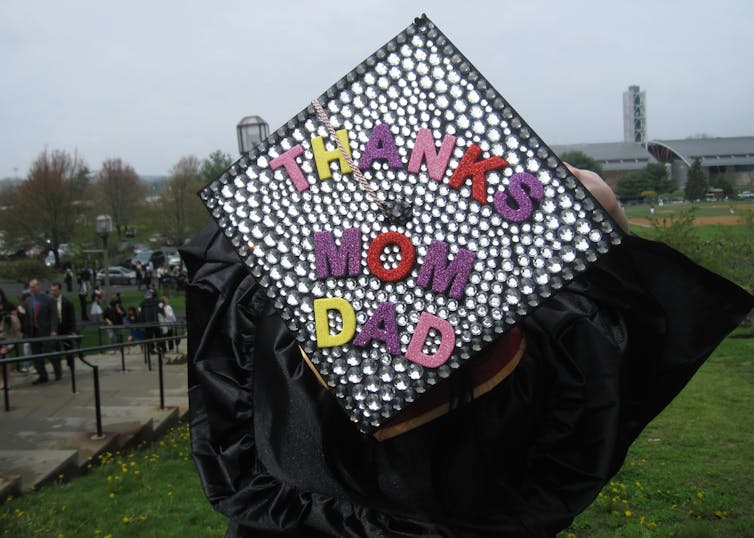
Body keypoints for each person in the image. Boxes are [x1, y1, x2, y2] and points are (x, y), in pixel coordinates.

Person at [182, 166, 753, 537]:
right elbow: (626, 344)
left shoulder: (270, 318)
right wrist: (605, 228)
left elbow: (223, 294)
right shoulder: (532, 353)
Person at [21, 279, 60, 385]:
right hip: (34, 332)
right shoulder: (29, 301)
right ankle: (42, 375)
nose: (32, 289)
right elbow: (28, 317)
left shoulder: (49, 300)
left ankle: (58, 371)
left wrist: (53, 330)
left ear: (39, 287)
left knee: (49, 352)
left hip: (46, 331)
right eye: (30, 287)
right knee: (36, 355)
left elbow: (54, 317)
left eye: (33, 287)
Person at [49, 282, 77, 372]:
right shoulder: (49, 302)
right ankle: (58, 367)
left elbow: (72, 317)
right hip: (55, 329)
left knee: (68, 347)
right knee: (55, 348)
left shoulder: (67, 302)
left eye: (55, 290)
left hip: (65, 328)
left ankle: (71, 364)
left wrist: (72, 330)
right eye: (52, 290)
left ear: (59, 290)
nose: (53, 292)